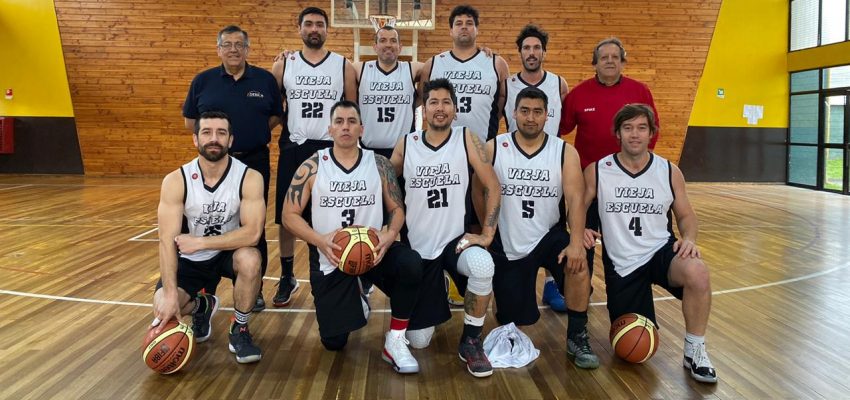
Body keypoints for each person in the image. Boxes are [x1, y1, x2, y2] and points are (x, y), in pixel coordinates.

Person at [282, 100, 424, 374]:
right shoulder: (312, 166)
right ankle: (356, 291)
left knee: (411, 264)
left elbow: (397, 208)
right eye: (339, 122)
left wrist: (390, 234)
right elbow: (289, 215)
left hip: (374, 251)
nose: (345, 126)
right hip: (331, 253)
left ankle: (395, 340)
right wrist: (319, 240)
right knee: (334, 342)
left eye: (351, 121)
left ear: (361, 129)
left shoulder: (379, 164)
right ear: (330, 129)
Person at [583, 104, 717, 383]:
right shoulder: (598, 170)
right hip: (622, 265)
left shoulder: (669, 171)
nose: (635, 134)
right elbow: (579, 206)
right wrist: (581, 229)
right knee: (630, 346)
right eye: (628, 128)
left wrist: (689, 239)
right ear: (617, 133)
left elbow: (686, 215)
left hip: (660, 252)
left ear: (652, 133)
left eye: (641, 128)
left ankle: (695, 350)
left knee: (698, 271)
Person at [389, 78, 502, 378]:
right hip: (419, 250)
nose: (440, 109)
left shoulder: (466, 137)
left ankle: (471, 340)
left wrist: (487, 233)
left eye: (446, 103)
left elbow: (492, 184)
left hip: (455, 241)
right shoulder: (407, 143)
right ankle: (435, 291)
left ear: (455, 108)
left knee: (483, 265)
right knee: (419, 342)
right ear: (424, 110)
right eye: (433, 103)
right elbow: (385, 187)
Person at [488, 87, 598, 369]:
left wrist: (575, 241)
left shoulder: (564, 151)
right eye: (524, 111)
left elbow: (575, 199)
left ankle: (577, 335)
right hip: (510, 241)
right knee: (512, 319)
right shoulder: (494, 147)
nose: (530, 118)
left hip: (548, 236)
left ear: (547, 115)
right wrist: (489, 230)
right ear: (514, 113)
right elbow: (480, 191)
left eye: (537, 112)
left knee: (580, 261)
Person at [183, 25, 282, 312]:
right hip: (212, 165)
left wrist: (251, 135)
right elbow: (191, 122)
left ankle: (256, 288)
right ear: (218, 49)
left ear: (248, 49)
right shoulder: (203, 81)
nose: (234, 49)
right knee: (205, 221)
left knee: (255, 227)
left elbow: (276, 116)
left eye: (239, 44)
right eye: (227, 44)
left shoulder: (264, 80)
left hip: (254, 160)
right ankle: (205, 292)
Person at [152, 111, 265, 364]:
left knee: (250, 258)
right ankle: (201, 306)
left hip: (227, 252)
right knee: (163, 306)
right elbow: (166, 241)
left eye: (221, 133)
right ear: (195, 139)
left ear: (231, 140)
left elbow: (253, 233)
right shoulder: (175, 180)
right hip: (190, 260)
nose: (214, 138)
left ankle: (241, 329)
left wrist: (202, 242)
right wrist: (170, 294)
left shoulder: (249, 177)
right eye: (207, 132)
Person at [272, 7, 358, 308]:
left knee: (336, 209)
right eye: (308, 24)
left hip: (329, 148)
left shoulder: (343, 65)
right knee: (286, 215)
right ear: (299, 29)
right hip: (295, 145)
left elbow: (351, 108)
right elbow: (274, 108)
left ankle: (349, 268)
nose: (314, 29)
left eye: (319, 24)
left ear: (326, 30)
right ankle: (286, 276)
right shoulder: (285, 64)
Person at [559, 36, 661, 282]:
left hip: (627, 185)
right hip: (589, 184)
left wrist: (639, 168)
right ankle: (581, 290)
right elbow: (560, 128)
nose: (610, 61)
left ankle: (624, 288)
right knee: (584, 238)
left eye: (615, 57)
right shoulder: (579, 93)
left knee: (623, 240)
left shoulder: (639, 91)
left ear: (622, 62)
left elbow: (653, 128)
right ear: (595, 63)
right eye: (604, 57)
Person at [503, 24, 571, 312]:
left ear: (544, 51)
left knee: (555, 225)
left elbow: (564, 125)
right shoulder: (507, 85)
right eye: (526, 48)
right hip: (518, 161)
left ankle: (553, 283)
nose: (532, 53)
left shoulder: (559, 84)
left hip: (551, 164)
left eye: (536, 48)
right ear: (519, 52)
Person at [420, 4, 509, 143]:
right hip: (442, 147)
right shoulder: (432, 64)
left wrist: (489, 116)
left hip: (483, 144)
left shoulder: (496, 63)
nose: (464, 27)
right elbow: (423, 99)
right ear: (451, 30)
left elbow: (503, 98)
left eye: (469, 23)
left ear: (477, 30)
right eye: (458, 23)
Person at [355, 25, 423, 159]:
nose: (388, 44)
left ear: (400, 47)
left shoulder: (411, 68)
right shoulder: (359, 69)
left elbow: (435, 66)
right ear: (375, 46)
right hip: (368, 151)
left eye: (393, 40)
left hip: (403, 151)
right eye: (383, 40)